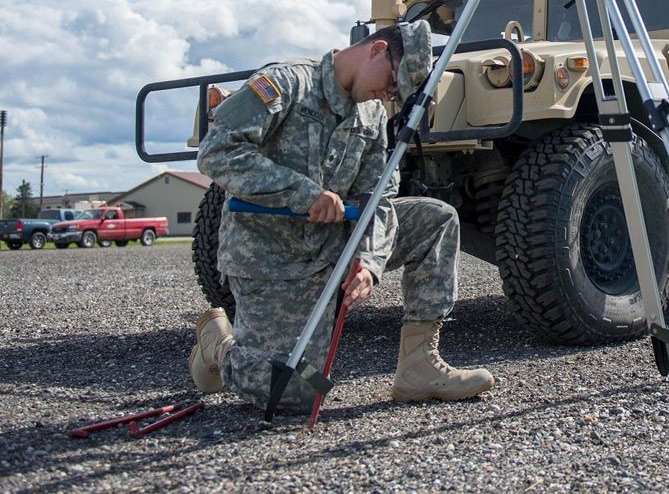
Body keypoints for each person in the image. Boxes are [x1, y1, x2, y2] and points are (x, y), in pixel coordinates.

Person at [189, 23, 494, 413]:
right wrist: (303, 194)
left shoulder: (371, 114)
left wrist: (369, 261)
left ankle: (418, 368)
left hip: (334, 241)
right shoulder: (285, 84)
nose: (389, 95)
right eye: (391, 82)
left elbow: (378, 198)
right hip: (272, 257)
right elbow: (216, 152)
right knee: (300, 391)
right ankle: (218, 343)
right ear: (376, 50)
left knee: (435, 218)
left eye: (397, 94)